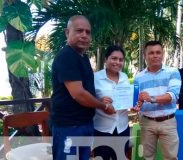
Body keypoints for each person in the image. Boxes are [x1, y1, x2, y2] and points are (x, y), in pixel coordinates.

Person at [51, 15, 115, 160]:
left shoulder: (83, 57)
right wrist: (103, 106)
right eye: (79, 31)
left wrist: (99, 99)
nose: (84, 35)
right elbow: (78, 94)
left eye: (88, 32)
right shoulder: (66, 56)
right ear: (67, 32)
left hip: (84, 123)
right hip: (69, 126)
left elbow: (86, 89)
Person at [133, 40, 181, 160]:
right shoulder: (138, 77)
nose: (155, 55)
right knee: (148, 157)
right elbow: (136, 101)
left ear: (163, 54)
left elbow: (173, 96)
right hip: (146, 122)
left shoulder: (173, 72)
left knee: (171, 157)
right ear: (145, 56)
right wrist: (136, 105)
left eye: (158, 52)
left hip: (168, 122)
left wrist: (151, 98)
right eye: (151, 53)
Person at [93, 45, 130, 159]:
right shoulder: (95, 78)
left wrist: (133, 104)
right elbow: (87, 100)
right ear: (105, 59)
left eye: (120, 59)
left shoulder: (124, 77)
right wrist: (99, 101)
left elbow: (127, 99)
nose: (117, 62)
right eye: (114, 58)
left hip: (122, 128)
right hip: (102, 129)